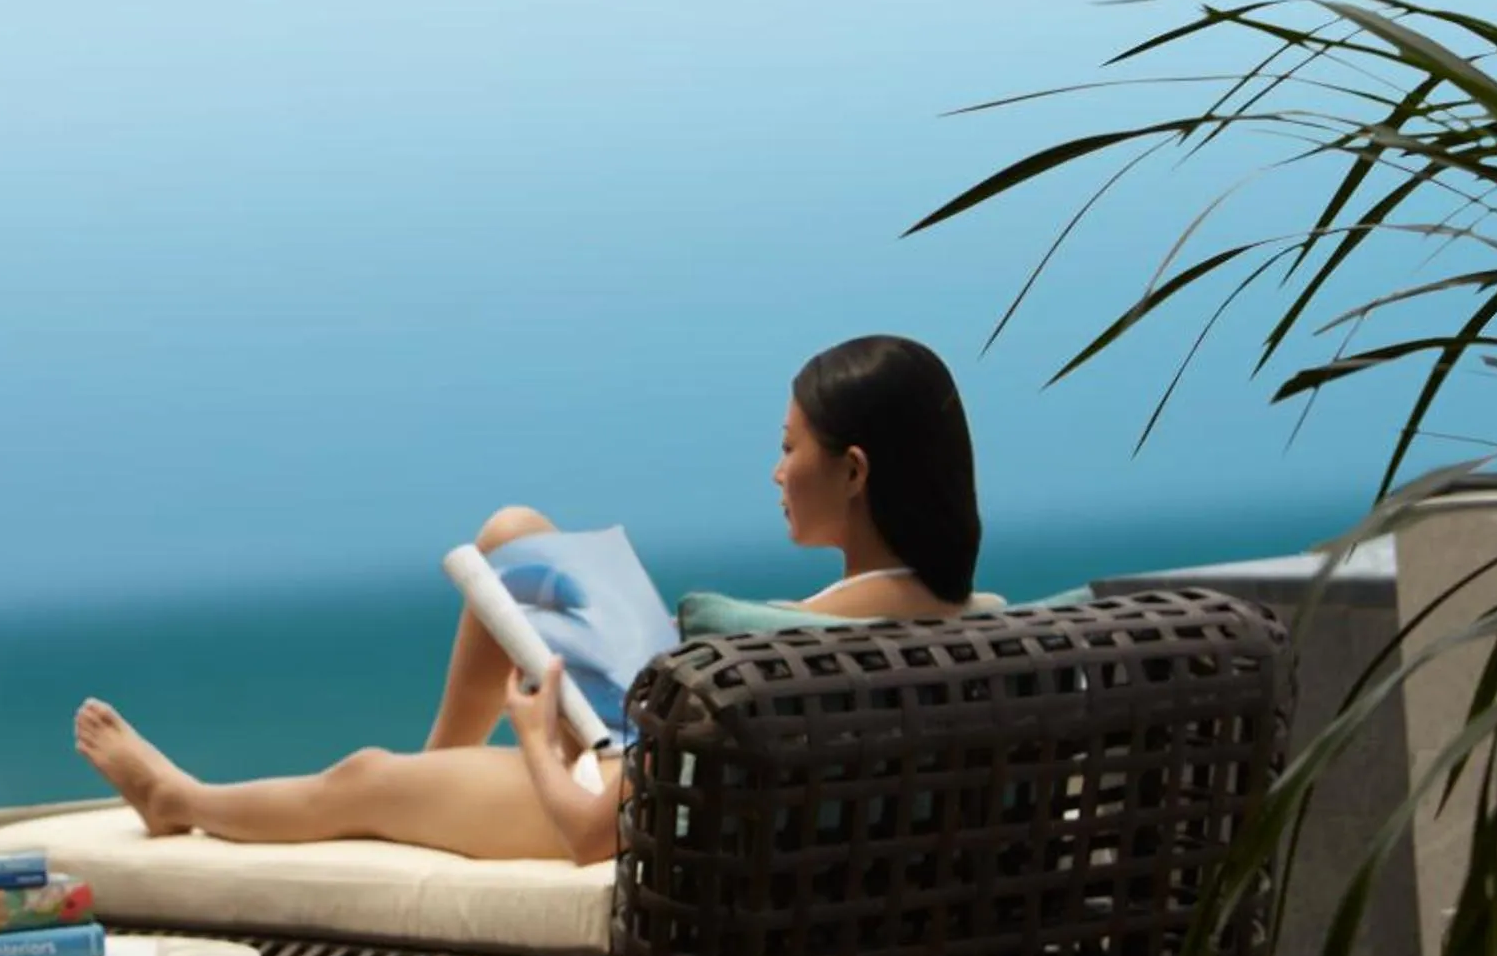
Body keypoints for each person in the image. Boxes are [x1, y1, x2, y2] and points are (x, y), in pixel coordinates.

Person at [73, 333, 982, 866]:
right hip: (716, 791)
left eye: (791, 447)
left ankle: (180, 799)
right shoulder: (953, 618)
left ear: (853, 470)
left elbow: (597, 831)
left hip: (653, 820)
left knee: (359, 777)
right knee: (515, 537)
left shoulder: (785, 645)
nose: (776, 469)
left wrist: (541, 739)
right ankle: (436, 772)